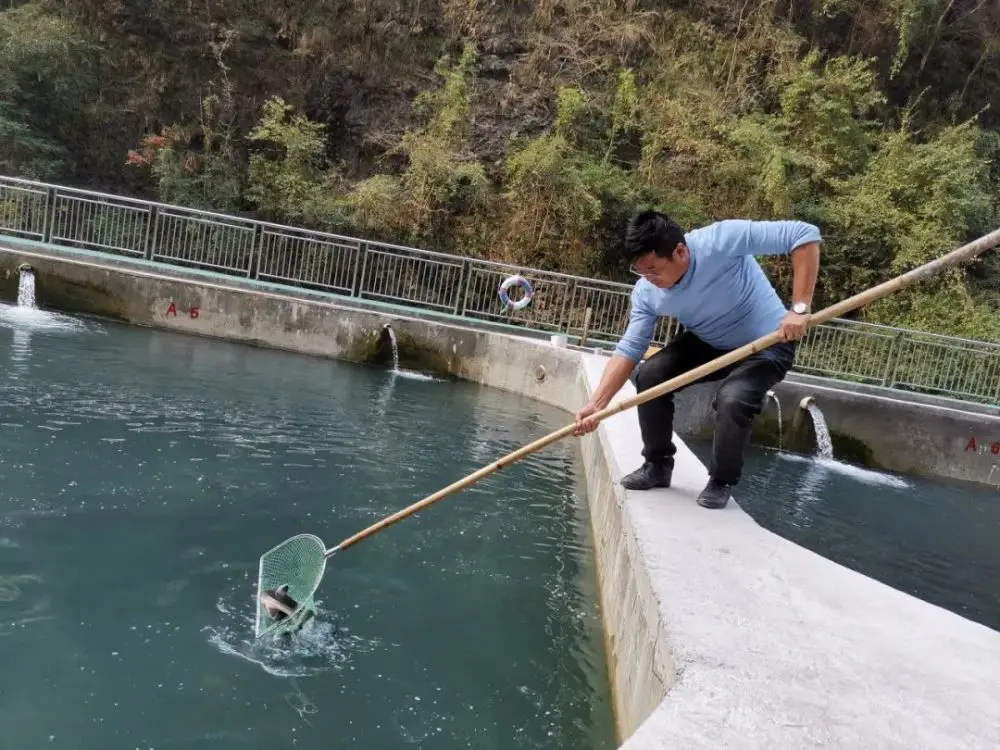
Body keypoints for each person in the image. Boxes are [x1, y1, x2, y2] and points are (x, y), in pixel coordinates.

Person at [572, 210, 821, 509]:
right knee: (650, 375)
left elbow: (803, 235)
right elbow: (631, 347)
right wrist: (598, 405)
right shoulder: (646, 293)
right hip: (710, 341)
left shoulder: (721, 240)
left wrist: (800, 307)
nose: (649, 280)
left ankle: (721, 480)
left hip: (769, 343)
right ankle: (657, 465)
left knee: (733, 398)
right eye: (642, 272)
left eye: (654, 270)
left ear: (680, 251)